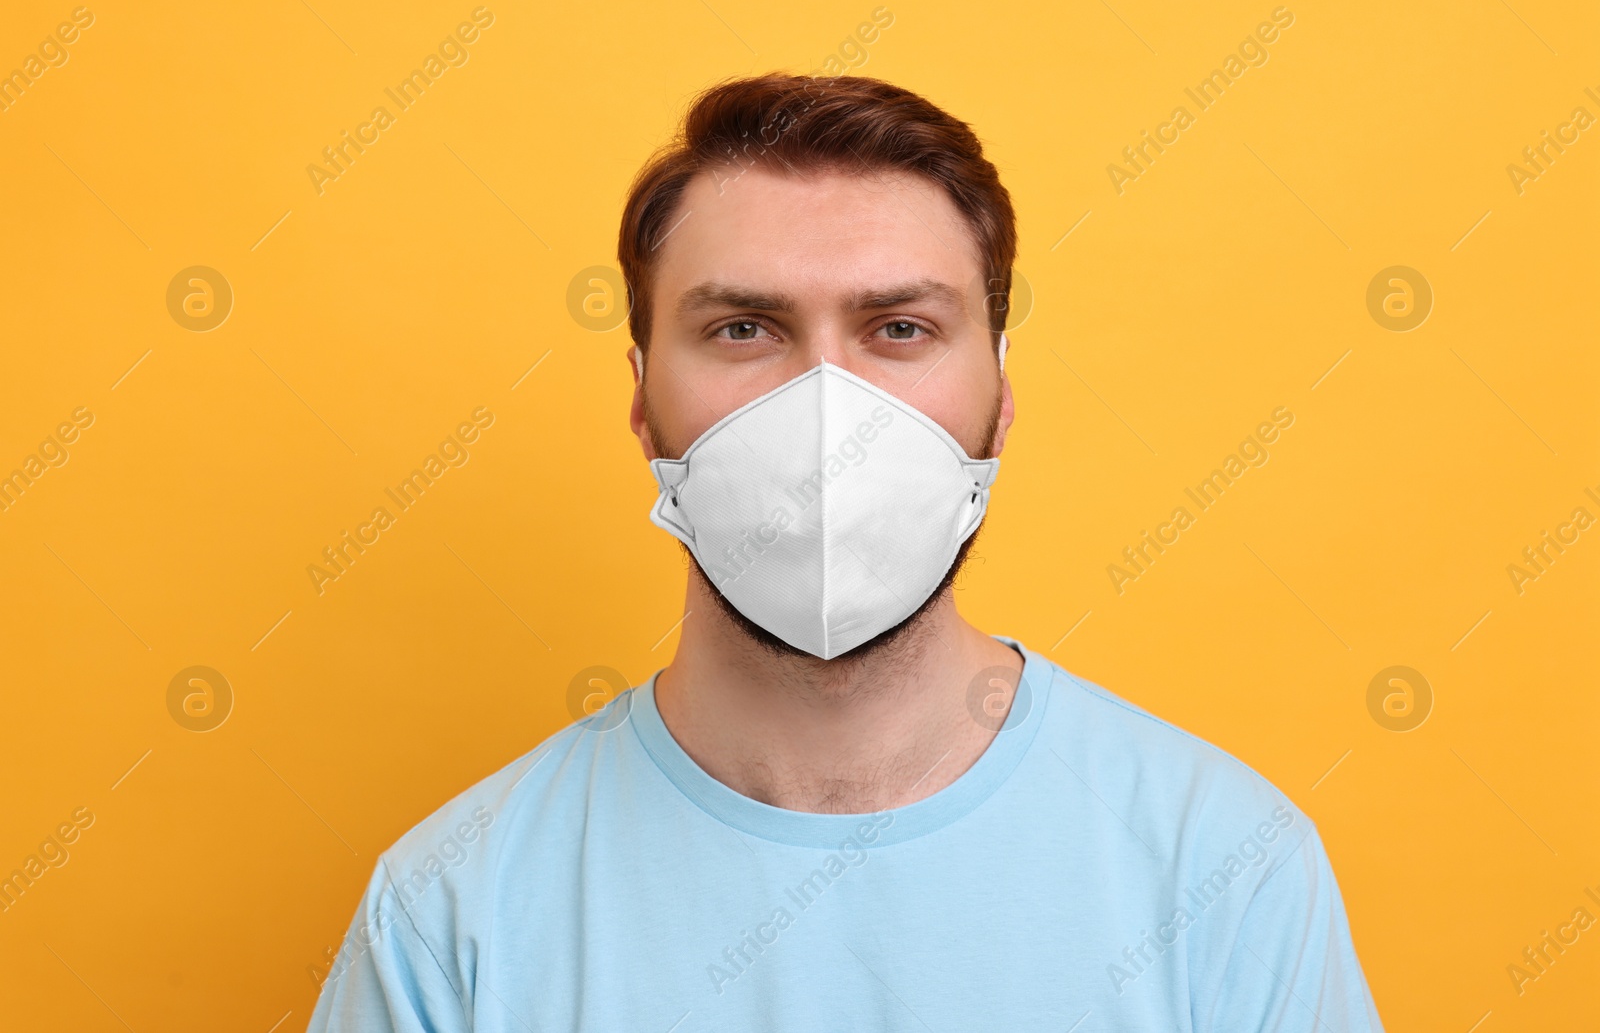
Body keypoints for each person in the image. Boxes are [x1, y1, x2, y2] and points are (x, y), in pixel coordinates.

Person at [307, 72, 1384, 1032]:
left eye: (899, 329)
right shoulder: (455, 910)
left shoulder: (1223, 868)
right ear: (642, 397)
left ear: (999, 396)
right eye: (743, 329)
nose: (833, 411)